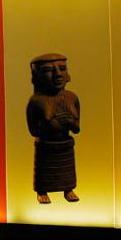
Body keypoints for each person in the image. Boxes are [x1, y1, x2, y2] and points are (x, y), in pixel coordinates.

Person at [26, 53, 81, 204]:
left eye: (62, 68)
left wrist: (69, 122)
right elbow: (33, 131)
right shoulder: (36, 101)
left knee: (67, 173)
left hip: (65, 145)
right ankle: (42, 191)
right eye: (48, 70)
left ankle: (68, 189)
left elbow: (77, 128)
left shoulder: (72, 98)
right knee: (44, 173)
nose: (57, 74)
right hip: (46, 146)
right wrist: (50, 125)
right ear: (37, 76)